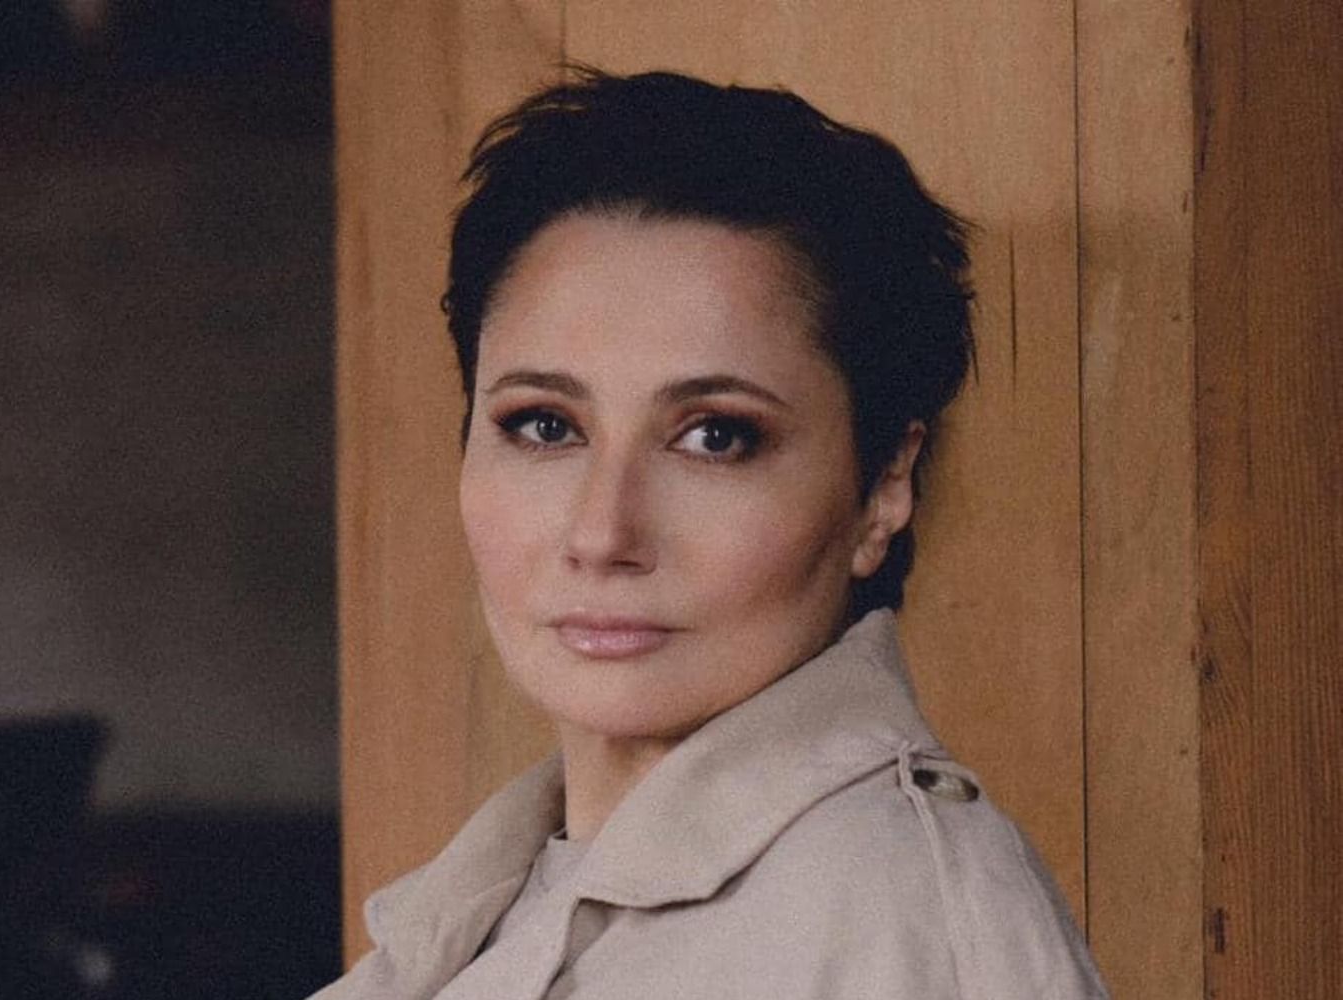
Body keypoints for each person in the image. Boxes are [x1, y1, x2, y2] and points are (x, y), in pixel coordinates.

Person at [313, 69, 1108, 999]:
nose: (602, 532)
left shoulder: (905, 928)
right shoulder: (494, 902)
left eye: (715, 437)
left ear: (884, 484)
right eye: (545, 425)